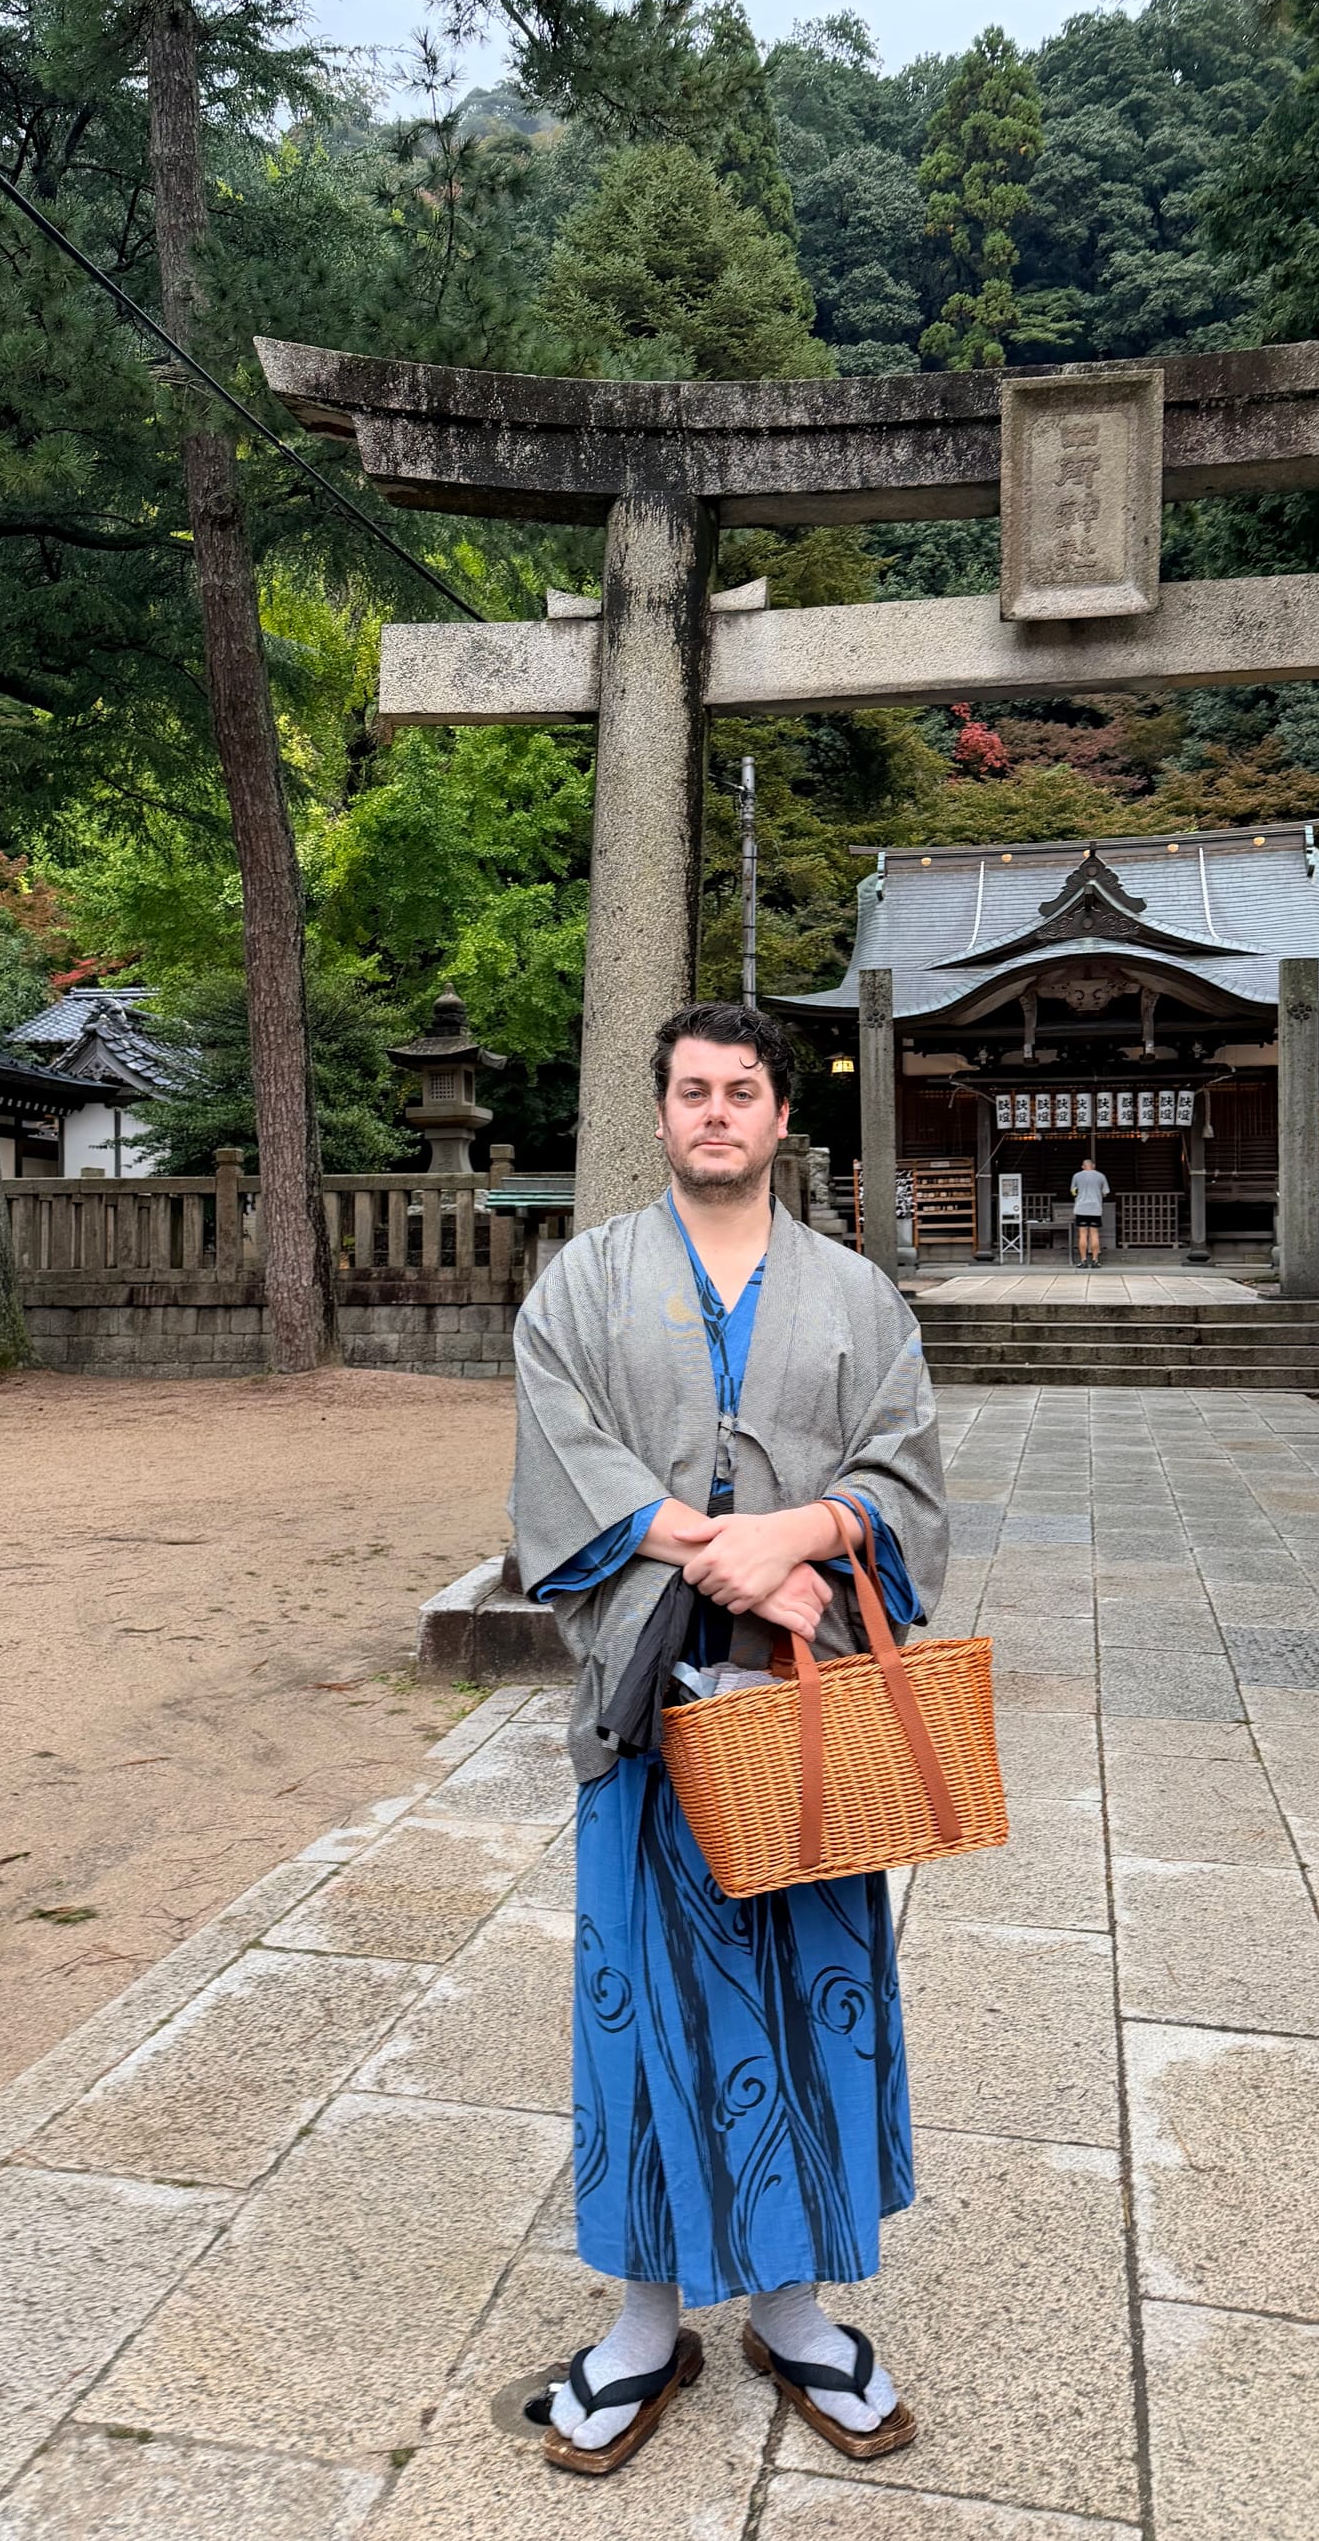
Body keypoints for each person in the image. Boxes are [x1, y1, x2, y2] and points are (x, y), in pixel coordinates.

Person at [510, 1000, 949, 2479]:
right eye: (691, 1090)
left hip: (803, 1710)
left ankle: (793, 2307)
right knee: (637, 2005)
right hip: (647, 1707)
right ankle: (643, 2322)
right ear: (660, 1114)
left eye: (740, 1090)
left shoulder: (857, 1294)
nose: (714, 1112)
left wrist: (806, 1533)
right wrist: (729, 1552)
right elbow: (563, 1457)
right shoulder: (583, 1281)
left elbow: (904, 1471)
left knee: (815, 1997)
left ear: (778, 1118)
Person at [1070, 1152, 1110, 1267]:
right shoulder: (1101, 1176)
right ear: (1093, 1166)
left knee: (1082, 1234)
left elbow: (1073, 1192)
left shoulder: (1076, 1176)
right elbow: (1105, 1192)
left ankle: (1083, 1260)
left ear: (1082, 1166)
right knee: (1094, 1234)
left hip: (1081, 1208)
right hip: (1095, 1208)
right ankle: (1095, 1260)